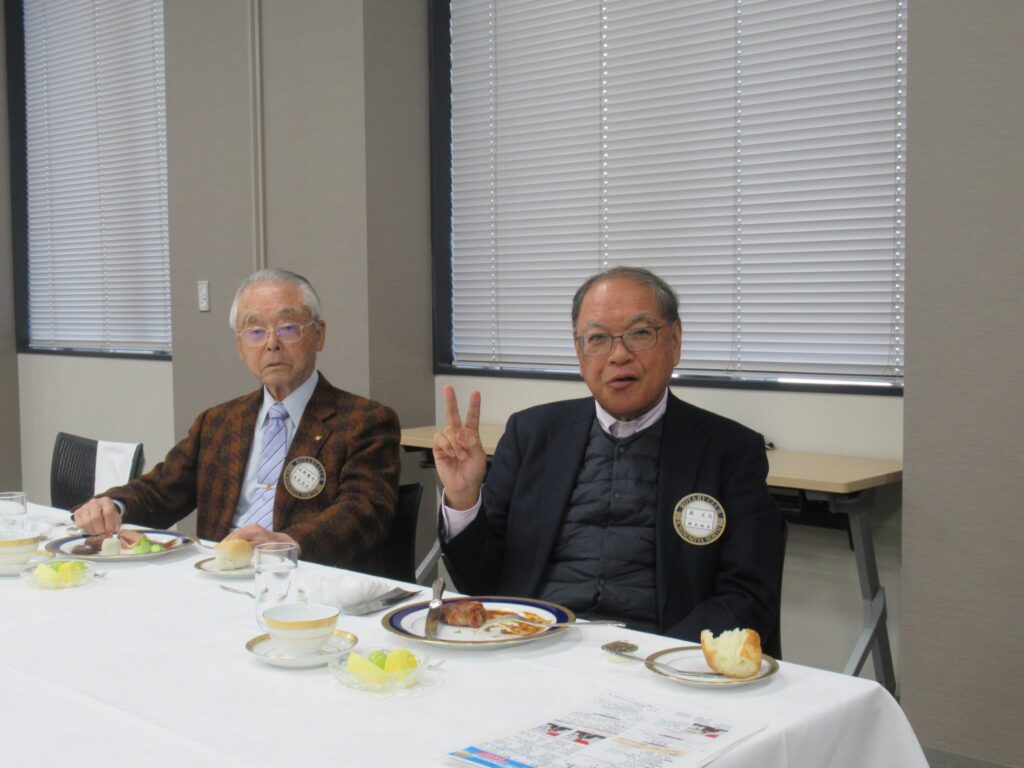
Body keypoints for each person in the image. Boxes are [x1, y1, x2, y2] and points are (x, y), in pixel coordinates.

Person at [433, 266, 784, 655]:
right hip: (532, 646)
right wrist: (463, 499)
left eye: (640, 333)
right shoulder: (531, 434)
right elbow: (481, 583)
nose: (619, 355)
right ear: (578, 351)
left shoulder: (730, 450)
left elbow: (748, 596)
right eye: (597, 338)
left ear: (675, 340)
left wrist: (658, 658)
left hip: (658, 658)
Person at [74, 268, 401, 573]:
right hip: (220, 573)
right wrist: (114, 504)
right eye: (255, 331)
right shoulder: (218, 423)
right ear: (240, 347)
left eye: (287, 328)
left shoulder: (365, 421)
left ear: (318, 335)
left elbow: (364, 511)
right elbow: (163, 488)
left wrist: (286, 543)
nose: (271, 343)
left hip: (306, 577)